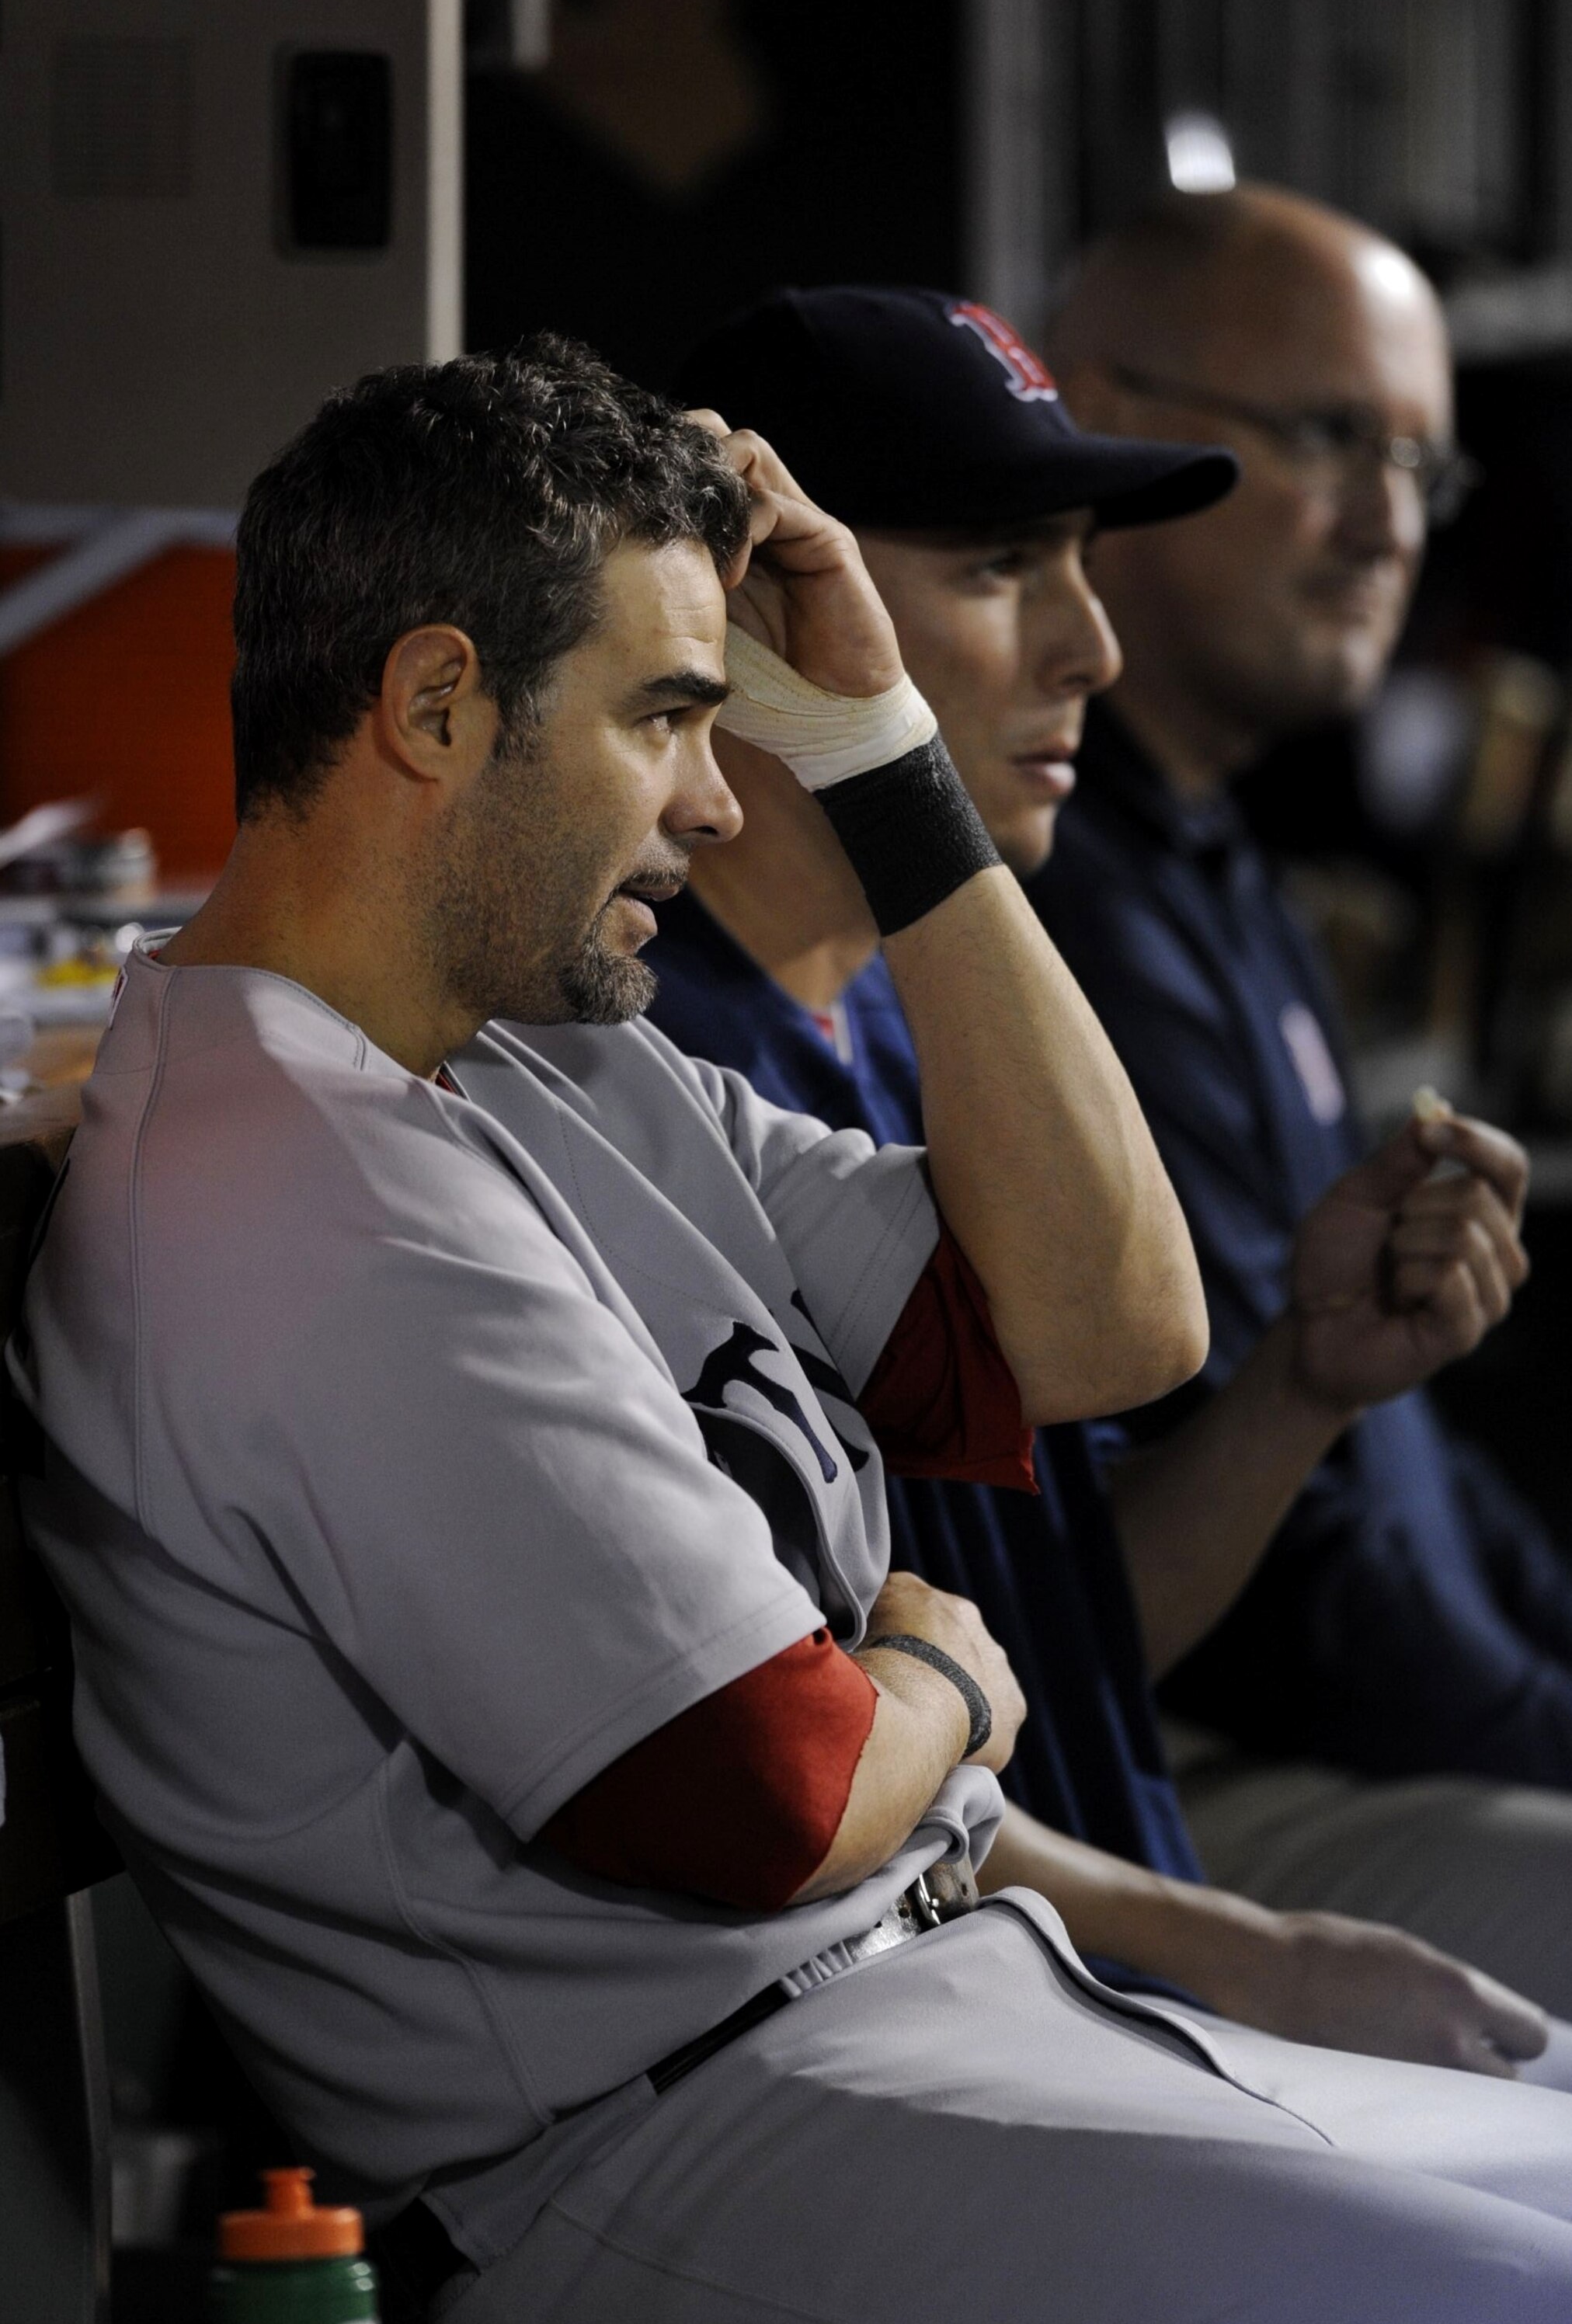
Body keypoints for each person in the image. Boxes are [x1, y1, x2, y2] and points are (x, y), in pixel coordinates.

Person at [16, 337, 1572, 2324]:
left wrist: (886, 757)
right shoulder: (272, 1185)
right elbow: (765, 1788)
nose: (714, 796)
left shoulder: (545, 1066)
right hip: (666, 2143)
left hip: (934, 2005)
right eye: (667, 714)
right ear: (432, 704)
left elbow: (1110, 1326)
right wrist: (940, 1676)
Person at [663, 283, 1569, 2085]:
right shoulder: (645, 1066)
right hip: (903, 2016)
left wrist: (1302, 1389)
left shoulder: (929, 1028)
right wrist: (1240, 1949)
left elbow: (1073, 1628)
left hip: (1085, 1936)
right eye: (1004, 568)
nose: (1091, 649)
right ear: (764, 607)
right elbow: (781, 1777)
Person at [1028, 182, 1572, 2023]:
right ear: (1098, 410)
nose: (1389, 530)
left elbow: (1406, 1469)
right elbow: (1295, 1601)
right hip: (1173, 1786)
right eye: (1338, 439)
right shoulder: (1052, 896)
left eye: (1425, 471)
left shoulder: (1210, 852)